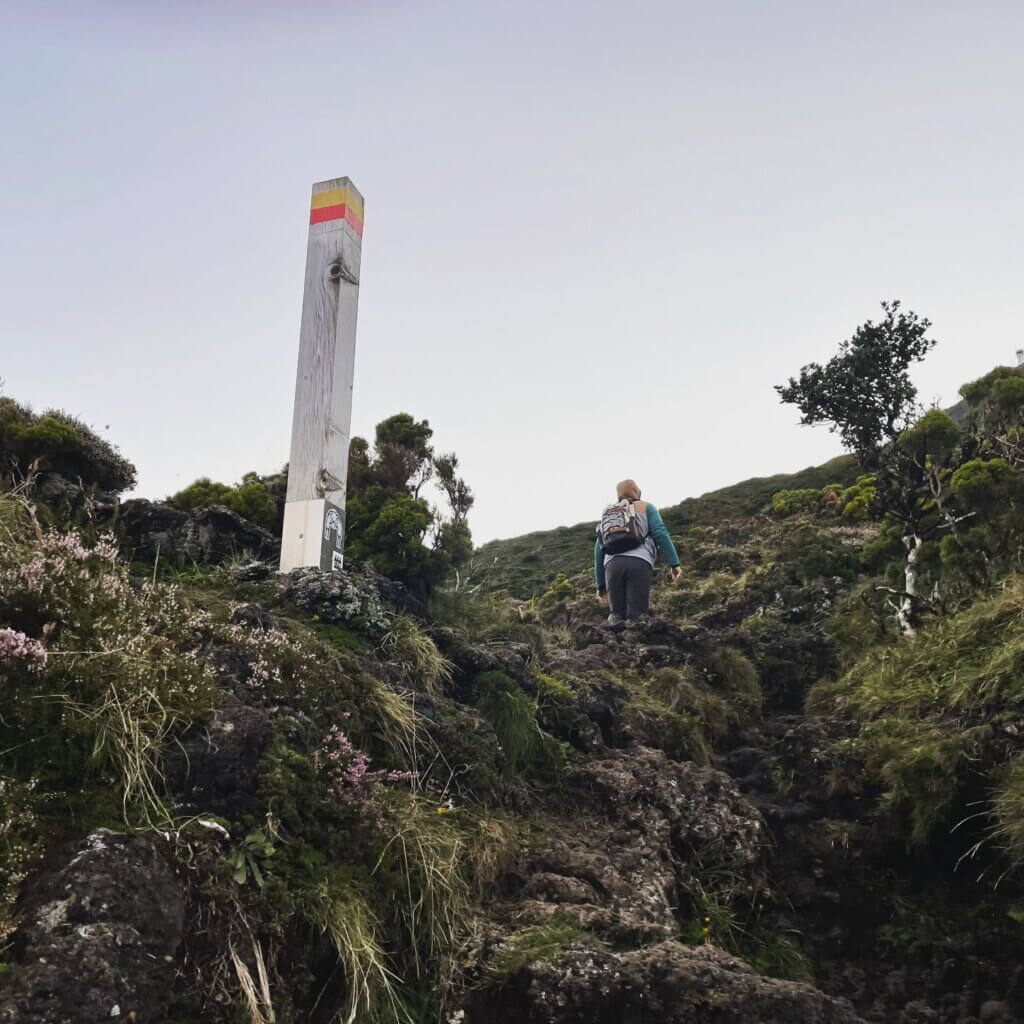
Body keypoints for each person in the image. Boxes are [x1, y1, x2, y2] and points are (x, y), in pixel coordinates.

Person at [594, 479, 681, 623]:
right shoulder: (646, 507)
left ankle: (616, 644)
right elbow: (660, 533)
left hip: (612, 567)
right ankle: (639, 644)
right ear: (635, 491)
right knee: (637, 616)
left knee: (616, 615)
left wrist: (601, 586)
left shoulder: (609, 515)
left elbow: (598, 551)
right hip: (639, 562)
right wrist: (674, 563)